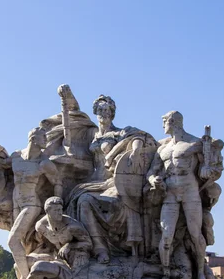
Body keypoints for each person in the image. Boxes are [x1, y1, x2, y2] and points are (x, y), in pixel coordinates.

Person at [67, 95, 157, 262]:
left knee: (113, 201)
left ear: (112, 113)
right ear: (95, 112)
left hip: (114, 181)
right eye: (100, 110)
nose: (104, 114)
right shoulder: (92, 135)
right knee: (82, 200)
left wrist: (136, 152)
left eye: (107, 110)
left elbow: (140, 137)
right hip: (94, 181)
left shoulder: (120, 132)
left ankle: (119, 248)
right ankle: (100, 249)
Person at [147, 111, 215, 279]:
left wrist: (207, 168)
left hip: (190, 191)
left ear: (173, 121)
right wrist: (153, 179)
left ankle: (200, 274)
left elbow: (209, 166)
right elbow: (152, 171)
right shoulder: (162, 148)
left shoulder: (195, 143)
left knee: (195, 234)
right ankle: (166, 273)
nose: (163, 126)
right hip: (169, 192)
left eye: (164, 122)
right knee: (166, 235)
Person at [6, 197, 92, 279]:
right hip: (56, 257)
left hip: (73, 260)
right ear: (48, 211)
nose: (60, 213)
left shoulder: (72, 226)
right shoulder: (41, 226)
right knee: (19, 265)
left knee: (38, 267)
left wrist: (69, 245)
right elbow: (43, 244)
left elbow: (88, 243)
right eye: (56, 210)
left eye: (60, 210)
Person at [7, 127, 63, 279]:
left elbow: (58, 182)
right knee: (24, 244)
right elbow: (0, 164)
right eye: (43, 137)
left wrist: (57, 205)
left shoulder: (44, 163)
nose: (46, 139)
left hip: (31, 205)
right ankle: (29, 269)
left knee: (12, 241)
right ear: (33, 139)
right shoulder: (16, 156)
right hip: (16, 205)